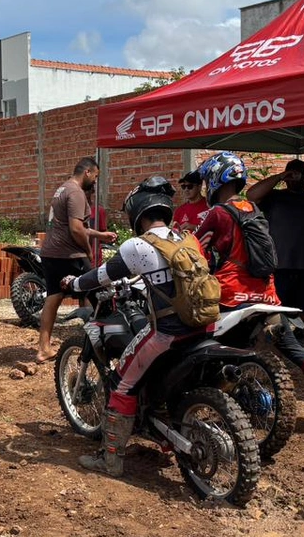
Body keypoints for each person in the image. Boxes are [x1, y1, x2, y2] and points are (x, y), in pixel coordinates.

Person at [195, 151, 304, 423]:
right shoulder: (254, 210)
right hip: (267, 294)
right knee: (292, 345)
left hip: (231, 296)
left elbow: (193, 253)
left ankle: (204, 406)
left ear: (214, 180)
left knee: (198, 341)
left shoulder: (218, 214)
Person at [62, 176, 205, 477]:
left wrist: (74, 283)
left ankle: (109, 460)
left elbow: (101, 276)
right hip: (204, 325)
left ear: (137, 213)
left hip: (169, 332)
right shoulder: (186, 238)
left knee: (121, 383)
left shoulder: (138, 246)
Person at [37, 158, 116, 363]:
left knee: (53, 297)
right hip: (69, 255)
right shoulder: (76, 193)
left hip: (50, 253)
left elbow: (72, 225)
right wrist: (88, 251)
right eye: (96, 176)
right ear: (87, 172)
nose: (95, 181)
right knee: (99, 294)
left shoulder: (62, 189)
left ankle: (44, 348)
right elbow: (75, 229)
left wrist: (100, 235)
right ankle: (104, 345)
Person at [247, 158, 304, 338]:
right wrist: (280, 176)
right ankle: (278, 349)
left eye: (298, 174)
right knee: (276, 311)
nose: (295, 177)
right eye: (291, 174)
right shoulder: (275, 197)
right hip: (279, 265)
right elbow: (251, 195)